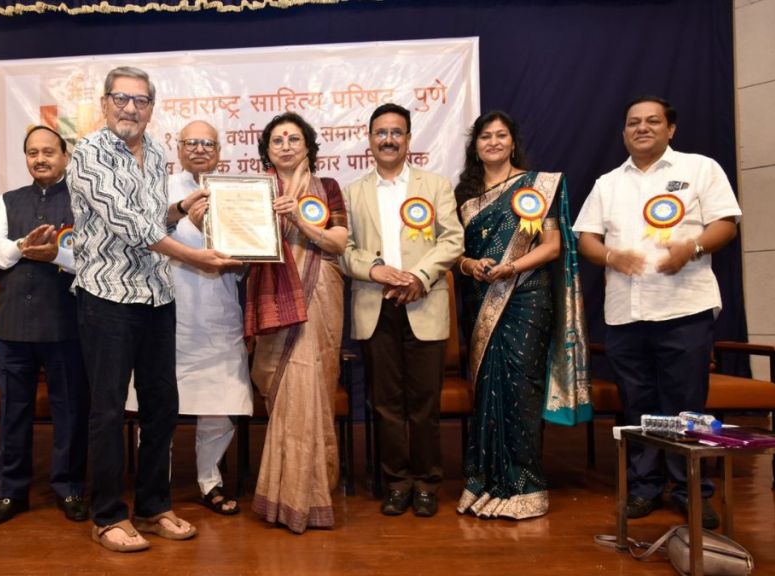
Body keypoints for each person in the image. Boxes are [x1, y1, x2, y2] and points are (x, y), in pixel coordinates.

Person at [67, 66, 239, 553]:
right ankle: (107, 516)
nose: (130, 108)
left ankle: (153, 505)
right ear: (104, 104)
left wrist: (181, 210)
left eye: (140, 101)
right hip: (107, 298)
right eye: (121, 99)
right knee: (107, 411)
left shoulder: (159, 152)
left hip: (158, 296)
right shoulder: (88, 154)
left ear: (151, 108)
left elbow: (151, 218)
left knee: (162, 406)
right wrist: (196, 256)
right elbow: (129, 226)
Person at [574, 96, 740, 529]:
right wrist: (611, 258)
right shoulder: (608, 182)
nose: (641, 128)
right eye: (633, 123)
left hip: (684, 307)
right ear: (624, 131)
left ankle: (692, 491)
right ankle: (644, 487)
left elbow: (726, 222)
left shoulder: (700, 169)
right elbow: (586, 239)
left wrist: (691, 248)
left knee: (687, 406)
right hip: (626, 314)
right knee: (638, 406)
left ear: (671, 128)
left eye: (652, 121)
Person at [453, 110, 589, 520]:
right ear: (475, 145)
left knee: (521, 388)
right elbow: (455, 252)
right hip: (481, 301)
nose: (493, 142)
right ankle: (485, 481)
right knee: (488, 389)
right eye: (485, 136)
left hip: (528, 298)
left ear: (513, 142)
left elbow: (553, 245)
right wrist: (467, 265)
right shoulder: (465, 194)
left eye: (501, 135)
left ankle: (525, 485)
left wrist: (513, 267)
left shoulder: (538, 186)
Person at [341, 103, 463, 518]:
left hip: (423, 301)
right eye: (380, 132)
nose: (388, 139)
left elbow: (452, 240)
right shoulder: (353, 192)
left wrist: (418, 277)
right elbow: (345, 251)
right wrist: (375, 270)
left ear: (408, 139)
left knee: (425, 405)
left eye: (396, 132)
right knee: (385, 404)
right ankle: (396, 483)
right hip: (376, 306)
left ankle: (427, 483)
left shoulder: (436, 185)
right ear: (370, 139)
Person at [0, 125, 89, 525]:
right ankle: (11, 493)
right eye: (32, 153)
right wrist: (22, 246)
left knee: (70, 412)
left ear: (65, 156)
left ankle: (70, 487)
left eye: (48, 152)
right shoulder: (9, 201)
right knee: (14, 413)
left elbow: (93, 259)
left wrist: (56, 254)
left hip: (66, 326)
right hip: (12, 327)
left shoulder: (84, 200)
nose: (40, 159)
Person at [246, 112, 348, 534]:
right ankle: (282, 498)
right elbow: (241, 246)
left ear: (308, 145)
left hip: (319, 294)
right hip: (273, 296)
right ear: (266, 150)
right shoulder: (254, 192)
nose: (285, 145)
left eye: (293, 138)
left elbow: (339, 242)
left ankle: (309, 497)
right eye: (276, 140)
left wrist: (300, 220)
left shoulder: (328, 189)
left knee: (309, 390)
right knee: (285, 390)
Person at [166, 120, 253, 514]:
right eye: (192, 143)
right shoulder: (161, 188)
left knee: (219, 400)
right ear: (178, 147)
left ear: (219, 150)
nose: (200, 149)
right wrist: (186, 219)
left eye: (208, 143)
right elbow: (145, 236)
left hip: (218, 312)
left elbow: (247, 260)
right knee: (160, 403)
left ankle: (210, 480)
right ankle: (156, 482)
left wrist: (240, 253)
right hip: (169, 312)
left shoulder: (235, 193)